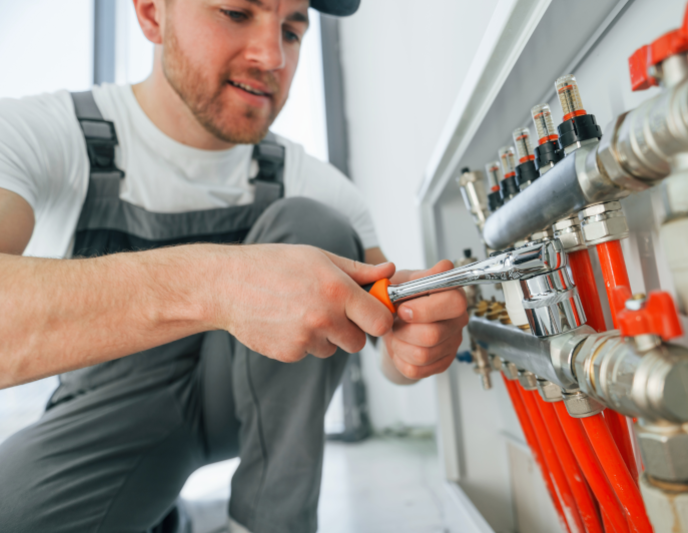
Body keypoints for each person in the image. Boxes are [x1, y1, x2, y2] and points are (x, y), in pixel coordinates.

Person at [0, 0, 468, 531]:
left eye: (292, 31)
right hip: (109, 415)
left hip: (252, 410)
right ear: (153, 13)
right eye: (236, 12)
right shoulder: (40, 136)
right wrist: (220, 283)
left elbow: (389, 342)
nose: (272, 56)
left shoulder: (321, 189)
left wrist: (413, 350)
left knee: (314, 227)